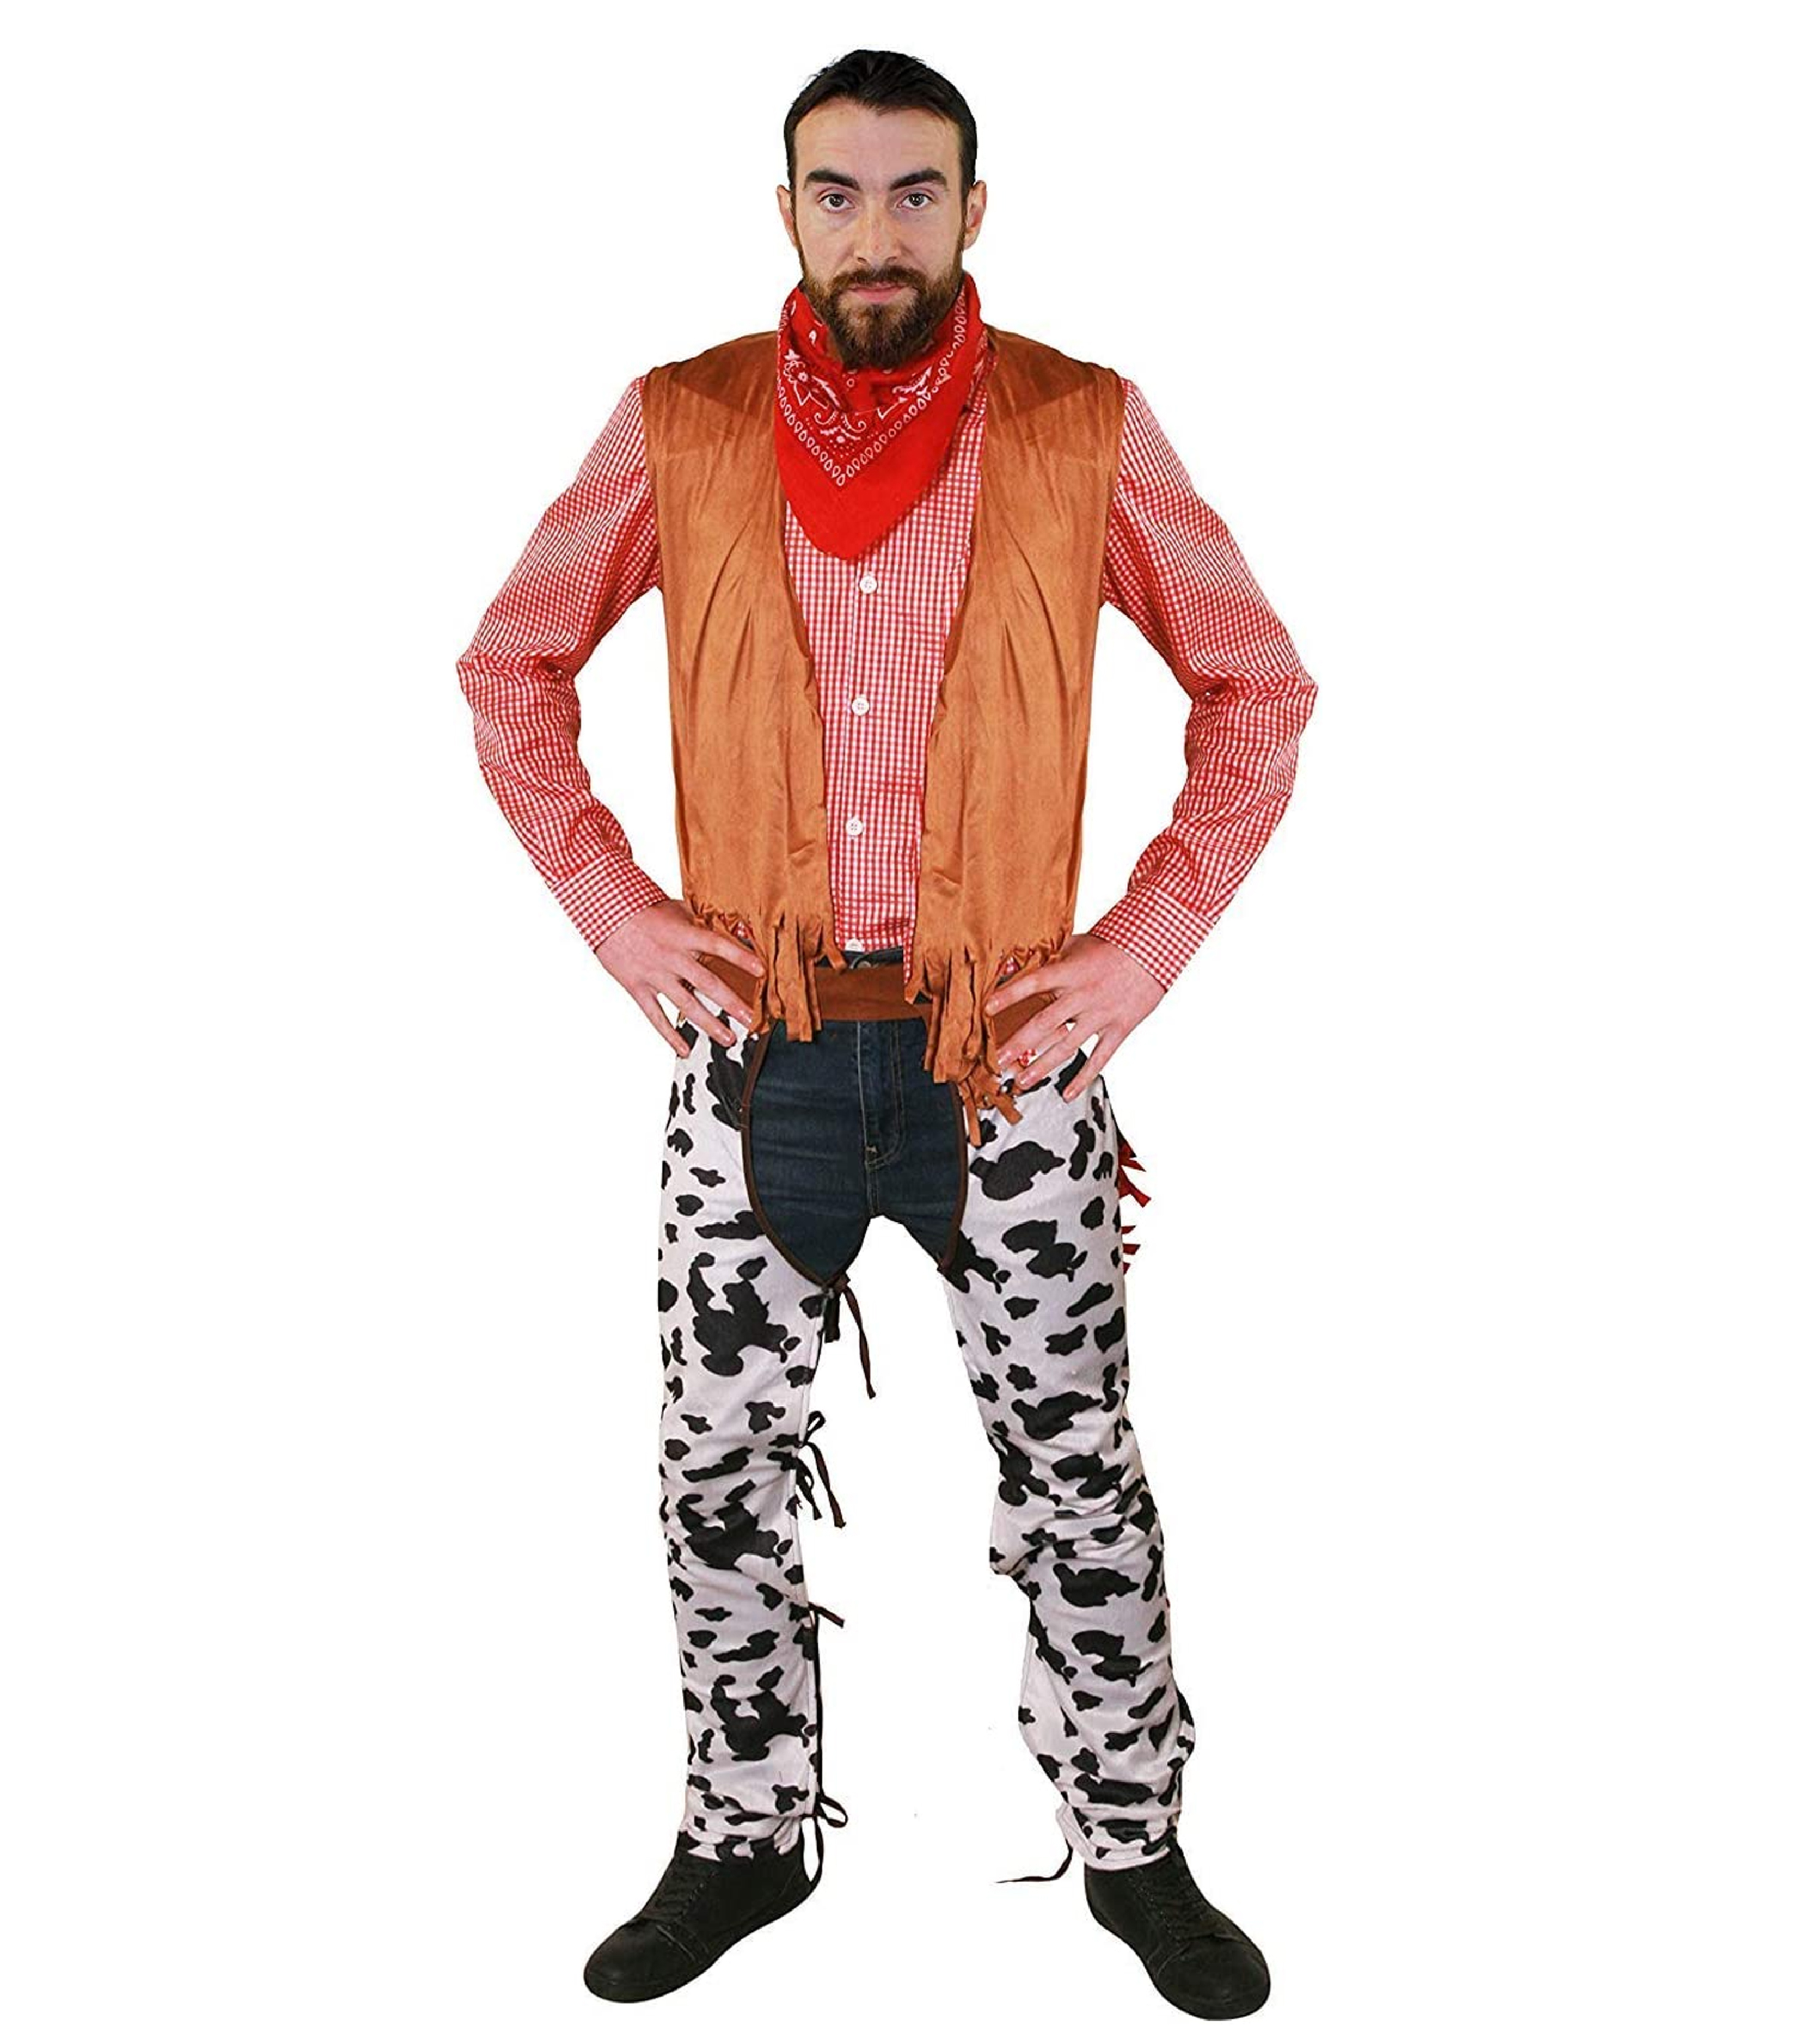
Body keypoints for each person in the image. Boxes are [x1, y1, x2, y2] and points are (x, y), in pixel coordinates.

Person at [456, 47, 1317, 2021]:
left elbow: (1259, 692)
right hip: (753, 1059)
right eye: (835, 195)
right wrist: (619, 912)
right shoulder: (680, 424)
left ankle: (1138, 1845)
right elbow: (510, 673)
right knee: (715, 1474)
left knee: (1079, 1467)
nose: (875, 234)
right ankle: (744, 1834)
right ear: (785, 215)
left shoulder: (1082, 426)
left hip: (1010, 1064)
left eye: (915, 193)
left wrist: (1138, 954)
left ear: (973, 213)